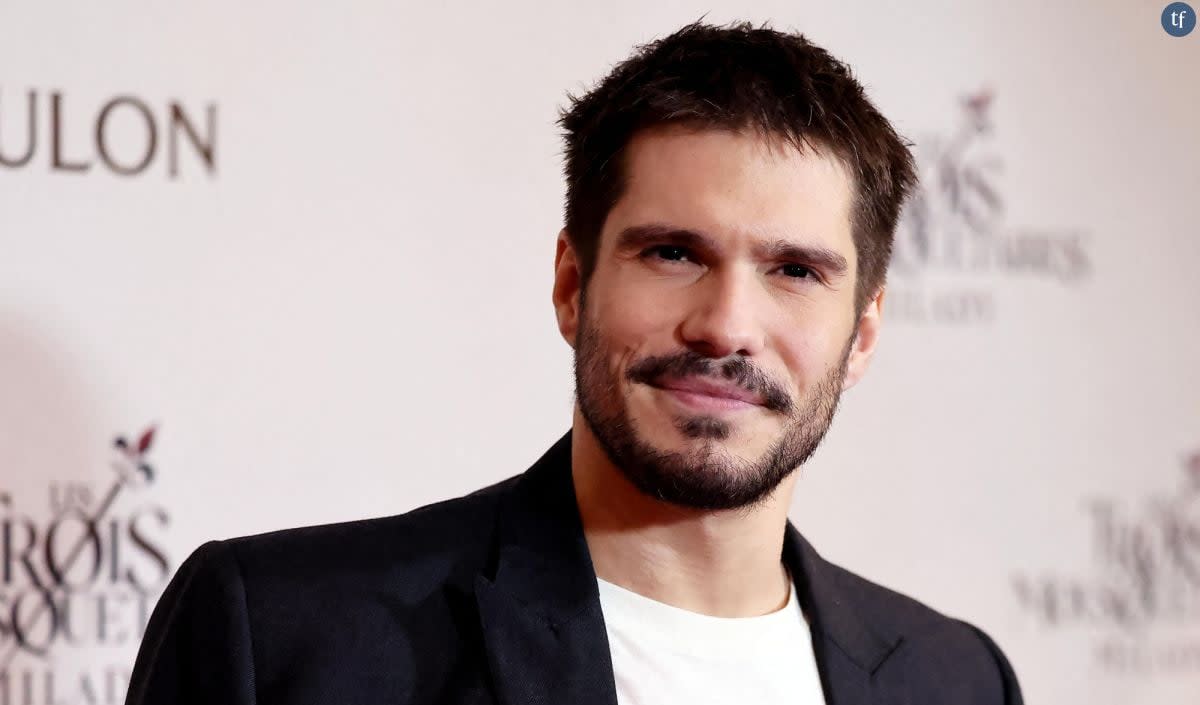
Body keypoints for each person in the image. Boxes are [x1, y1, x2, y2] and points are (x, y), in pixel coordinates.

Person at [125, 20, 1024, 705]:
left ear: (862, 332)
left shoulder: (959, 678)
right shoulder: (285, 637)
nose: (725, 326)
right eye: (674, 252)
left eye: (795, 270)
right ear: (571, 284)